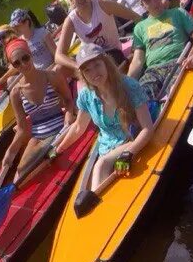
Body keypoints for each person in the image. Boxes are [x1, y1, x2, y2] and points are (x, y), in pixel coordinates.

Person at [54, 42, 155, 191]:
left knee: (100, 165)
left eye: (97, 65)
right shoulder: (86, 96)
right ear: (83, 75)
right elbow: (78, 128)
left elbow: (147, 129)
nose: (94, 73)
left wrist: (129, 153)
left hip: (131, 141)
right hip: (106, 149)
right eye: (87, 70)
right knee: (99, 171)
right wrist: (58, 150)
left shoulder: (129, 86)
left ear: (106, 63)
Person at [0, 36, 75, 179]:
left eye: (25, 58)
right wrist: (11, 150)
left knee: (40, 166)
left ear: (31, 55)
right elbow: (22, 128)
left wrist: (69, 115)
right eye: (17, 63)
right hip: (38, 138)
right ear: (13, 66)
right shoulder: (16, 93)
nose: (23, 64)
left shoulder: (51, 76)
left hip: (61, 130)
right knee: (20, 173)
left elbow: (69, 100)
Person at [128, 0, 193, 99]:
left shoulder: (178, 13)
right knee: (140, 96)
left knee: (177, 94)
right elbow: (137, 60)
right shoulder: (139, 27)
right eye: (148, 1)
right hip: (153, 70)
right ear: (143, 5)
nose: (154, 3)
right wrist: (128, 83)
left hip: (178, 63)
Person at [55, 0, 140, 71]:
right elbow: (58, 56)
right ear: (71, 1)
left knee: (105, 64)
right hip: (90, 57)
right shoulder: (70, 20)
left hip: (112, 51)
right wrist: (78, 66)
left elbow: (135, 17)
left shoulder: (104, 5)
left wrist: (138, 42)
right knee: (59, 69)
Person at [0, 9, 58, 94]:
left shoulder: (43, 33)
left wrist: (47, 72)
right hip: (34, 75)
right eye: (14, 26)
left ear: (26, 22)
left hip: (49, 70)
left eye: (17, 26)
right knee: (11, 81)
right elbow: (17, 66)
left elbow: (56, 56)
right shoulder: (20, 41)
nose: (15, 29)